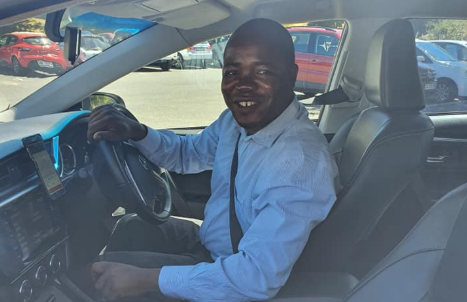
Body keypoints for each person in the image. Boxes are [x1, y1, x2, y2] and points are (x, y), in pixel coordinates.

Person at [86, 18, 339, 302]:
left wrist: (144, 279)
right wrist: (139, 133)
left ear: (291, 75)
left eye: (263, 71)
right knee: (131, 226)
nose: (243, 86)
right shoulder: (235, 123)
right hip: (213, 246)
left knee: (96, 277)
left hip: (235, 275)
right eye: (232, 72)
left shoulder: (299, 164)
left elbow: (256, 276)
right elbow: (188, 154)